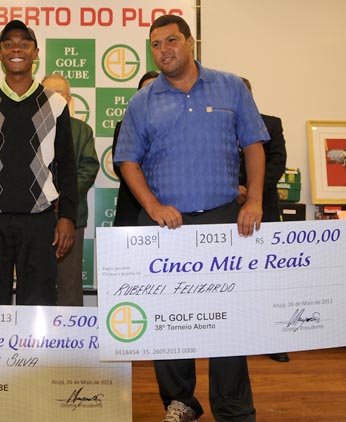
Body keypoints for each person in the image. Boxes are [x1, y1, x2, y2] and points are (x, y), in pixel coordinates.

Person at [114, 15, 268, 422]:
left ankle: (232, 406)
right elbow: (127, 161)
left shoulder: (231, 87)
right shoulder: (142, 101)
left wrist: (254, 200)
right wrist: (152, 207)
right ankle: (181, 402)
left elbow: (254, 146)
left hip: (224, 220)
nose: (164, 50)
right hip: (168, 226)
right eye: (155, 44)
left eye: (171, 41)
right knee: (168, 320)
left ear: (191, 42)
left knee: (229, 318)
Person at [0, 20, 77, 306]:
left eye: (24, 43)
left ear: (36, 52)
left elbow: (67, 166)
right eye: (8, 44)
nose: (16, 49)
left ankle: (34, 355)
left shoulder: (55, 104)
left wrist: (67, 217)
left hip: (40, 217)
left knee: (38, 303)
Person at [239, 77, 288, 363]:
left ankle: (273, 340)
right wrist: (234, 190)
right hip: (226, 210)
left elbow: (277, 164)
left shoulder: (271, 123)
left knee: (268, 278)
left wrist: (252, 193)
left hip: (264, 210)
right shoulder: (217, 124)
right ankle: (234, 336)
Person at [41, 73, 99, 306]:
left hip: (72, 216)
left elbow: (89, 168)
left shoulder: (82, 130)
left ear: (69, 99)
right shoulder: (30, 129)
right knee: (37, 278)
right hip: (36, 216)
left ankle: (72, 336)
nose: (55, 98)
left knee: (69, 281)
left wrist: (63, 198)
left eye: (60, 93)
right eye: (49, 93)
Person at [111, 70, 159, 227]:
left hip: (167, 204)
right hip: (132, 205)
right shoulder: (125, 125)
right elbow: (120, 167)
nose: (150, 96)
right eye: (145, 91)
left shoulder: (177, 126)